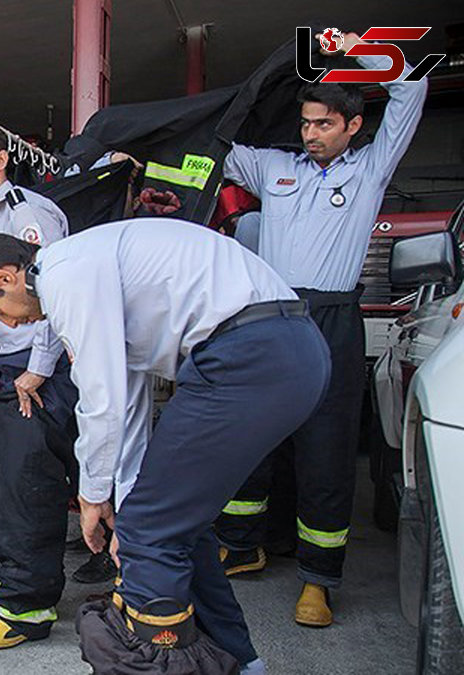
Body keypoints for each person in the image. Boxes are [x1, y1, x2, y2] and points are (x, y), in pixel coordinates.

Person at [0, 221, 332, 673]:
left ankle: (164, 665)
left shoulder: (65, 274)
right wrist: (124, 503)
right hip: (286, 352)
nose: (9, 324)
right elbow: (129, 402)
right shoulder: (89, 268)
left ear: (6, 277)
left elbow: (102, 400)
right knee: (171, 527)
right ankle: (242, 662)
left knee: (150, 534)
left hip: (248, 354)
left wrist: (95, 498)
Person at [215, 31, 427, 626]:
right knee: (254, 436)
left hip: (333, 320)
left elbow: (413, 88)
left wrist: (358, 46)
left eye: (324, 125)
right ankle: (244, 543)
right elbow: (216, 141)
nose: (311, 134)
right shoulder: (274, 166)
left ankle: (318, 579)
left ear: (352, 126)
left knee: (325, 450)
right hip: (272, 318)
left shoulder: (370, 170)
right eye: (306, 123)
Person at [0, 122, 80, 648]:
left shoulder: (30, 215)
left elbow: (50, 295)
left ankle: (28, 606)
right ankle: (12, 581)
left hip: (40, 368)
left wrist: (39, 369)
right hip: (8, 369)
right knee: (2, 485)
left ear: (1, 161)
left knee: (31, 488)